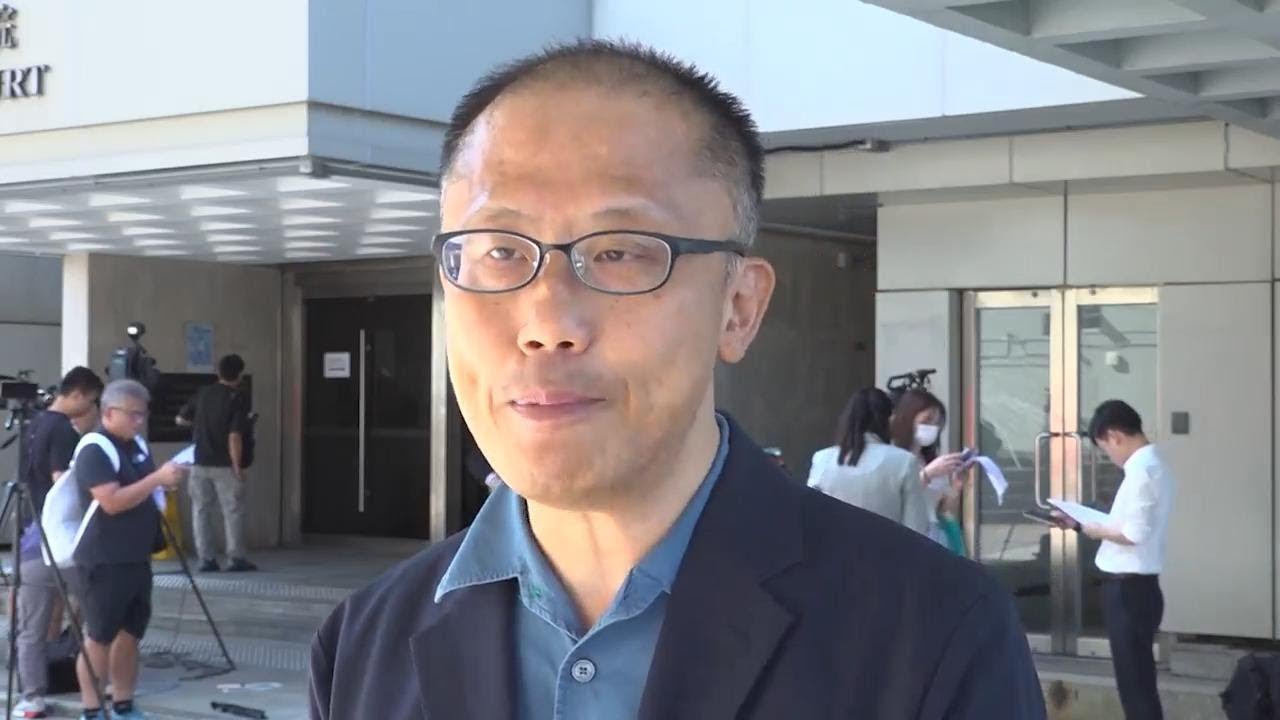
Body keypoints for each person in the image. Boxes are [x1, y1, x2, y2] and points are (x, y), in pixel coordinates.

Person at [309, 40, 1045, 720]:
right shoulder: (361, 645)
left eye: (620, 252)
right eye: (499, 251)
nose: (546, 321)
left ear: (739, 308)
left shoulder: (932, 635)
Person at [1053, 400, 1173, 720]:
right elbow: (1127, 523)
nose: (1110, 456)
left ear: (1115, 436)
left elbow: (1133, 533)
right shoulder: (1152, 464)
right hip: (1137, 588)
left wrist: (1090, 529)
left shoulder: (1142, 471)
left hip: (1129, 589)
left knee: (1135, 685)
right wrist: (1078, 523)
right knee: (1138, 681)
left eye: (1106, 449)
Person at [74, 379, 186, 720]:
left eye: (143, 415)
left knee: (131, 632)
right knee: (99, 635)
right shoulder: (95, 448)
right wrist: (156, 480)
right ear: (109, 413)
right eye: (133, 414)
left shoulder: (136, 446)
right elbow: (110, 501)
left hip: (136, 556)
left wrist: (165, 482)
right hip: (104, 559)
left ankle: (123, 703)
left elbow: (144, 489)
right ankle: (92, 709)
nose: (140, 421)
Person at [12, 367, 102, 719]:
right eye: (92, 401)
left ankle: (31, 697)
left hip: (32, 538)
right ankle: (101, 684)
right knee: (100, 614)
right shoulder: (63, 430)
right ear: (78, 394)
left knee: (30, 629)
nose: (92, 409)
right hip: (62, 541)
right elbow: (63, 484)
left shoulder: (34, 424)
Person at [808, 387, 930, 534]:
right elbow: (916, 527)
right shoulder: (904, 461)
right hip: (886, 546)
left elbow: (810, 517)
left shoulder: (822, 459)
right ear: (888, 419)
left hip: (833, 545)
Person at [176, 354, 255, 572]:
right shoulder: (238, 398)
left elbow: (180, 419)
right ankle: (236, 558)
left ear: (219, 372)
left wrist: (202, 423)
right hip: (225, 464)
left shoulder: (204, 393)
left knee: (201, 511)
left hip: (199, 461)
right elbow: (234, 435)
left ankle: (206, 559)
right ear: (239, 374)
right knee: (232, 511)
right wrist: (237, 466)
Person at [891, 388, 971, 555]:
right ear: (908, 417)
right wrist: (928, 474)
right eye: (927, 420)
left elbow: (942, 509)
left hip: (936, 534)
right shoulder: (893, 456)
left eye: (937, 423)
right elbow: (895, 498)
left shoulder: (929, 459)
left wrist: (957, 486)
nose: (932, 428)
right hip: (909, 536)